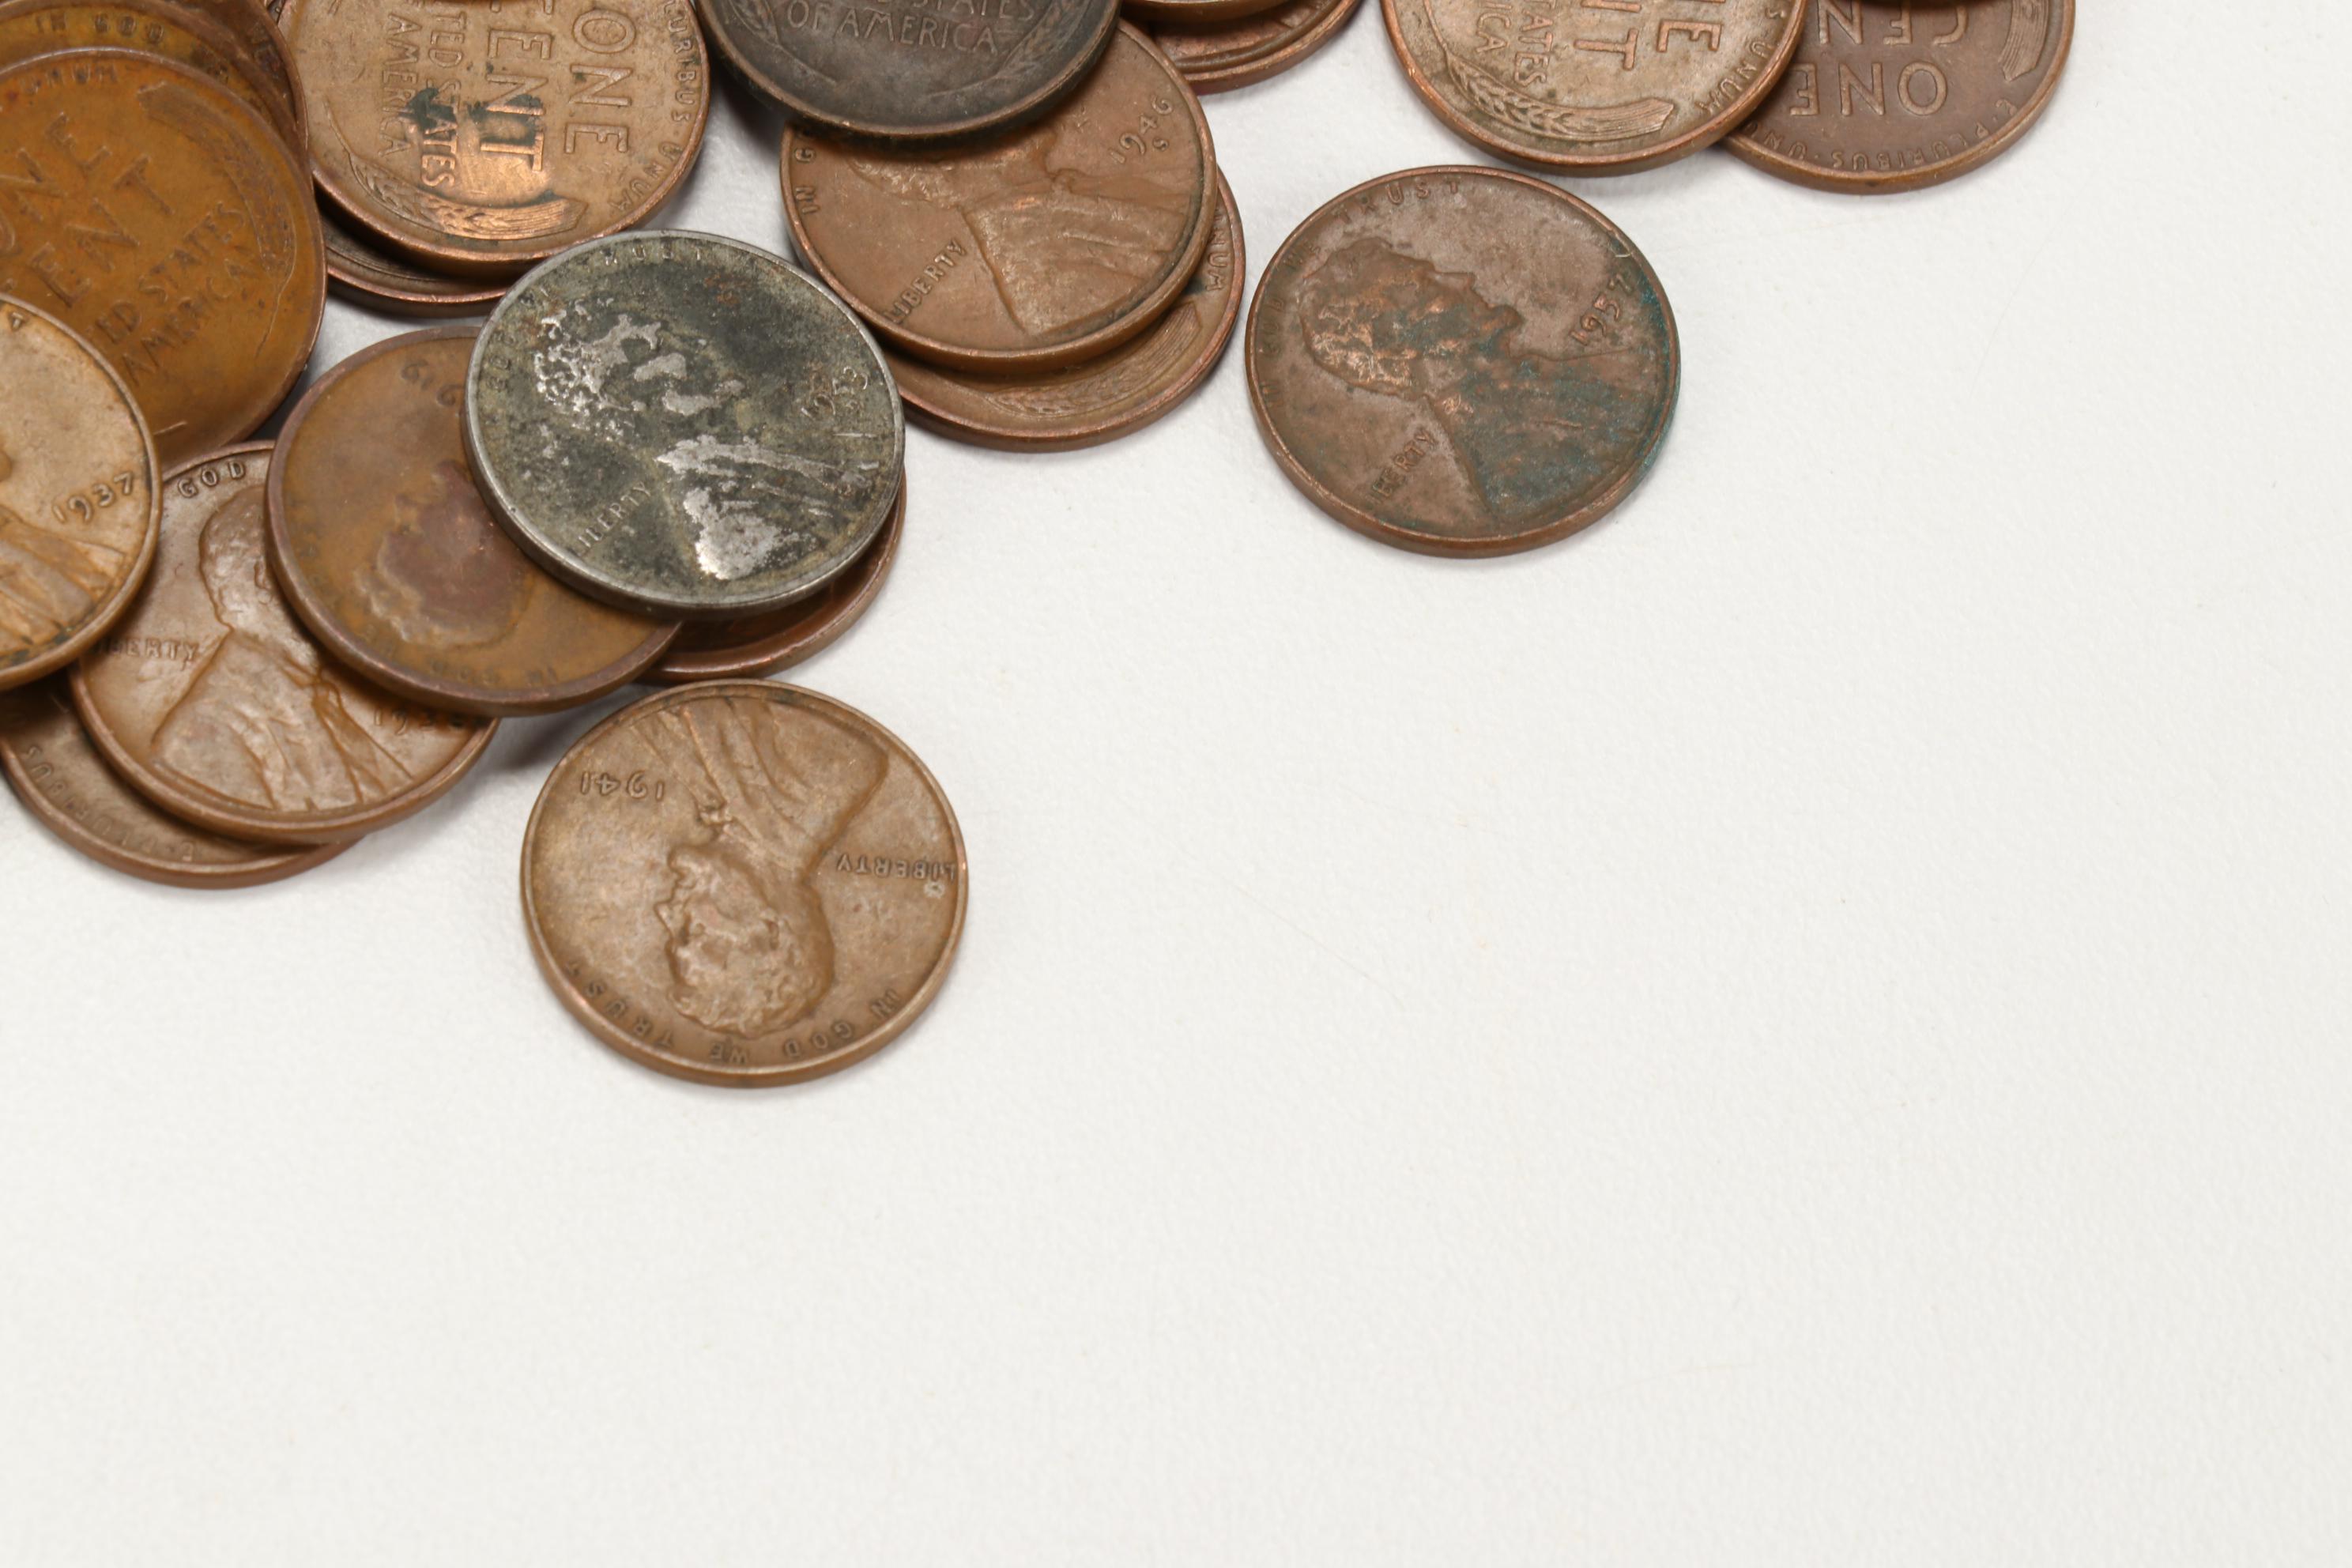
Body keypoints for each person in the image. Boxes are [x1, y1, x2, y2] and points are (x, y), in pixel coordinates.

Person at [1294, 238, 1656, 525]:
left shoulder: (1554, 380)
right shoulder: (1518, 479)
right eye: (1428, 285)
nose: (1461, 279)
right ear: (1399, 343)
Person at [643, 695, 885, 1037]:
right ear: (771, 930)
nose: (666, 912)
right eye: (695, 931)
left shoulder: (720, 804)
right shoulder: (837, 775)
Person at [150, 489, 407, 812]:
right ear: (267, 577)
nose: (357, 585)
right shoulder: (199, 740)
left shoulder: (319, 699)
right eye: (328, 570)